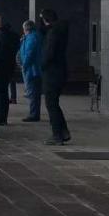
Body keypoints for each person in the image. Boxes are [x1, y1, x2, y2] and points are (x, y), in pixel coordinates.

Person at [40, 9, 71, 145]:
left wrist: (42, 64)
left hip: (52, 73)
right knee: (54, 103)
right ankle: (63, 131)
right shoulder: (60, 31)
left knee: (51, 104)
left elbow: (49, 53)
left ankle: (57, 134)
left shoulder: (52, 33)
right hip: (60, 71)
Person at [0, 16, 20, 125]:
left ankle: (0, 118)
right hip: (9, 67)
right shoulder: (12, 35)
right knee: (3, 93)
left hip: (0, 69)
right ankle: (3, 117)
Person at [19, 20, 42, 122]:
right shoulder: (32, 37)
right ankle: (34, 113)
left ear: (25, 28)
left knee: (32, 92)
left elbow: (29, 53)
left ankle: (34, 114)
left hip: (32, 70)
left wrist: (24, 65)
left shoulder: (32, 38)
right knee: (34, 92)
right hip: (33, 68)